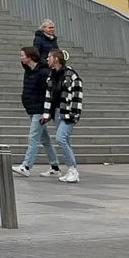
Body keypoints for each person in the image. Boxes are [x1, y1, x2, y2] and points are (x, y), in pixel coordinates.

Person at [12, 46, 60, 177]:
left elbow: (49, 93)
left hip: (39, 109)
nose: (20, 58)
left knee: (33, 137)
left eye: (22, 55)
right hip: (31, 108)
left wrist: (47, 111)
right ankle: (54, 166)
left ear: (30, 57)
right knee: (45, 140)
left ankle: (26, 165)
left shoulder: (43, 73)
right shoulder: (29, 71)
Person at [42, 48, 84, 183]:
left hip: (67, 113)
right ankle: (70, 169)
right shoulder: (51, 75)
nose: (47, 59)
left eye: (49, 57)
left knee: (61, 138)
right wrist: (47, 114)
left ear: (56, 59)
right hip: (57, 113)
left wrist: (74, 114)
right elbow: (49, 96)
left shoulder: (71, 75)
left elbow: (77, 96)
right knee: (66, 141)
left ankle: (73, 169)